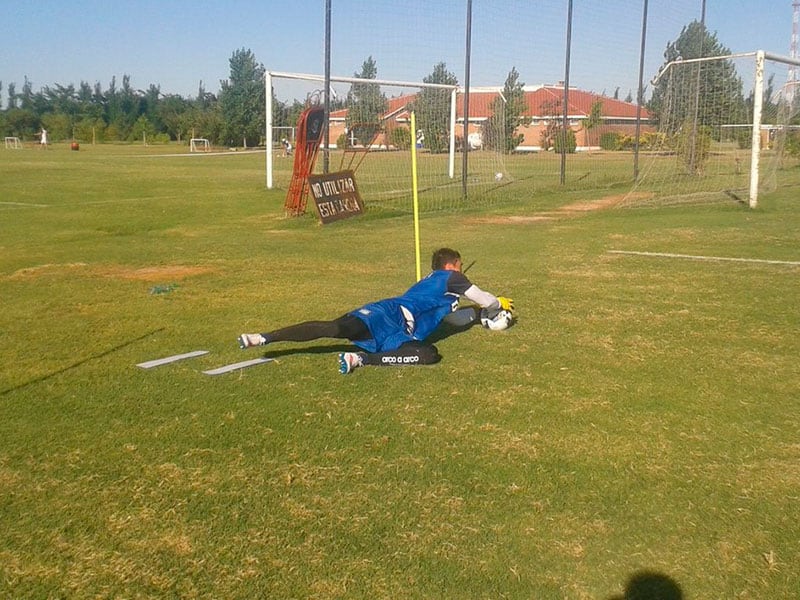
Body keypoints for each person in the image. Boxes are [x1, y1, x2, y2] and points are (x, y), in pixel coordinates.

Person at [238, 248, 514, 374]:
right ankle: (264, 338)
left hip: (402, 332)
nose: (462, 271)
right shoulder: (450, 278)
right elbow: (483, 297)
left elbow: (450, 319)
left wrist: (478, 318)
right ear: (452, 266)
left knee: (427, 355)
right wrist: (495, 306)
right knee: (337, 329)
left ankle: (361, 359)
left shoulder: (438, 286)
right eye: (460, 265)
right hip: (389, 312)